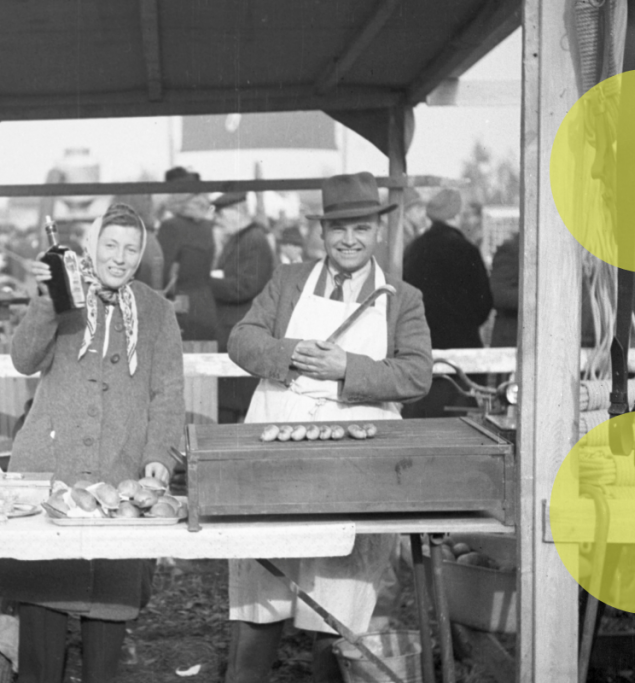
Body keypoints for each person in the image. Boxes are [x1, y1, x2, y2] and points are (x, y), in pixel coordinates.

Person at [225, 172, 433, 683]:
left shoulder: (401, 298)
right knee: (263, 582)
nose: (349, 240)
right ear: (322, 232)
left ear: (378, 232)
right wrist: (290, 353)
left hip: (355, 462)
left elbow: (417, 374)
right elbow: (240, 339)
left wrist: (348, 369)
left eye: (361, 228)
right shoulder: (289, 281)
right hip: (277, 450)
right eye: (339, 228)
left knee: (339, 595)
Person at [0, 204, 184, 683]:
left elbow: (169, 393)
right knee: (41, 642)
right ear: (92, 246)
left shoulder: (157, 312)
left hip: (120, 482)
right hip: (54, 477)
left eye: (131, 249)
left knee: (106, 631)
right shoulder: (64, 296)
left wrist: (158, 458)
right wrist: (46, 300)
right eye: (110, 245)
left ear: (142, 255)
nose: (119, 258)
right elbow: (23, 359)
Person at [402, 188, 492, 418]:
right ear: (456, 215)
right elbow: (484, 304)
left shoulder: (413, 250)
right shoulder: (467, 250)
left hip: (422, 351)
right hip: (463, 357)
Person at [210, 191, 275, 423]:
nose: (217, 220)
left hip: (241, 332)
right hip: (234, 331)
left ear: (236, 212)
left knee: (237, 411)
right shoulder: (244, 238)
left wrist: (207, 283)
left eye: (221, 214)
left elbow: (245, 287)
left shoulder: (253, 240)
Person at [156, 166, 218, 341]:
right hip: (206, 306)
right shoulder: (207, 226)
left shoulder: (171, 227)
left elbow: (161, 273)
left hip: (181, 308)